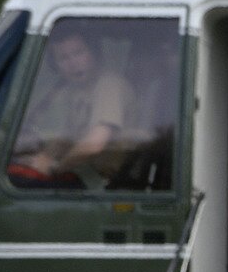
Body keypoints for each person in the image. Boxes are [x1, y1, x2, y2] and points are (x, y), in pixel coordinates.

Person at [8, 28, 134, 188]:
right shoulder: (77, 91)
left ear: (94, 53)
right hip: (84, 175)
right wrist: (40, 157)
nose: (73, 63)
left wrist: (54, 168)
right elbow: (68, 140)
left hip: (104, 184)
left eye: (79, 53)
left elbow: (94, 144)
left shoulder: (109, 85)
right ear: (56, 65)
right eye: (63, 58)